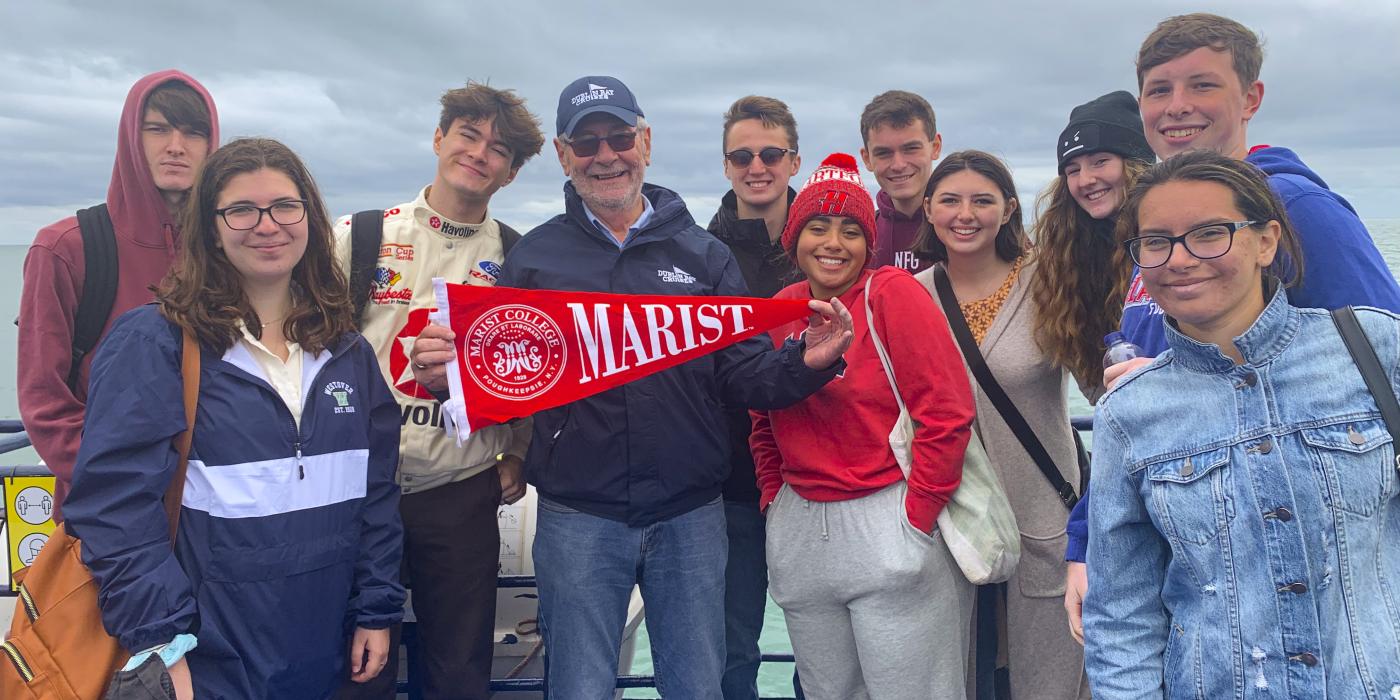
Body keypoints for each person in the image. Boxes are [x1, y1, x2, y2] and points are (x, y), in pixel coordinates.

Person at [410, 75, 853, 697]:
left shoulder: (703, 256)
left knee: (699, 686)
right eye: (586, 143)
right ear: (564, 156)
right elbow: (500, 375)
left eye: (619, 136)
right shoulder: (534, 259)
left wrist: (808, 363)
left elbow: (744, 374)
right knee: (579, 688)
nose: (606, 155)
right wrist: (443, 378)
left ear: (645, 141)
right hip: (576, 516)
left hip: (692, 516)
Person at [1063, 12, 1400, 641]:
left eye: (1202, 85)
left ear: (1251, 98)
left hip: (1284, 564)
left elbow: (1377, 373)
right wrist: (1087, 540)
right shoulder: (1156, 230)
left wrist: (1197, 389)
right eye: (1159, 90)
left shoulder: (1298, 211)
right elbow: (1138, 415)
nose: (1177, 107)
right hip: (1188, 558)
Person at [62, 137, 405, 699]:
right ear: (211, 226)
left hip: (329, 651)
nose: (266, 225)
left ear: (310, 219)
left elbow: (376, 495)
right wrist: (161, 643)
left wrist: (376, 609)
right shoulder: (156, 343)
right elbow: (115, 505)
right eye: (241, 209)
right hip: (208, 657)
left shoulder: (347, 351)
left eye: (285, 207)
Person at [1084, 148, 1400, 697]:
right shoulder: (1128, 413)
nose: (1179, 259)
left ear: (1266, 241)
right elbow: (1121, 619)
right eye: (1156, 241)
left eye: (1209, 233)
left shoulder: (1374, 347)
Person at [332, 81, 544, 700]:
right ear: (438, 138)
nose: (479, 154)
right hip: (357, 486)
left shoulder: (518, 258)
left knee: (458, 671)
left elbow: (532, 369)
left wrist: (516, 452)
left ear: (510, 173)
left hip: (459, 491)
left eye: (498, 149)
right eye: (468, 135)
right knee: (351, 666)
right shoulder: (360, 236)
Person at [751, 153, 975, 699]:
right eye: (818, 227)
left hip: (886, 512)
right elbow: (761, 417)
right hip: (802, 526)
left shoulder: (892, 294)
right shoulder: (781, 308)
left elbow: (946, 412)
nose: (833, 243)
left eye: (852, 230)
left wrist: (917, 518)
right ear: (794, 237)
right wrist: (774, 500)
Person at [912, 151, 1089, 699]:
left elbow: (1106, 381)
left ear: (1009, 209)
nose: (966, 214)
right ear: (928, 209)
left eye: (983, 200)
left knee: (1051, 678)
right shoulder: (909, 295)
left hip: (1042, 512)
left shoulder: (1049, 283)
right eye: (951, 200)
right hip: (951, 521)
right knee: (955, 676)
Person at [18, 70, 218, 520]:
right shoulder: (65, 248)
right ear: (131, 136)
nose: (175, 145)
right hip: (110, 513)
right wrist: (122, 484)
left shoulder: (228, 247)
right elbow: (44, 403)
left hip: (217, 511)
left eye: (193, 132)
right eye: (157, 128)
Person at [705, 94, 802, 700]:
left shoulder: (829, 242)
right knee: (729, 649)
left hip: (819, 482)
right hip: (730, 485)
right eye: (742, 155)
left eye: (770, 153)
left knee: (825, 651)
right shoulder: (696, 254)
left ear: (795, 160)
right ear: (726, 165)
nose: (756, 166)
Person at [1028, 90, 1155, 400]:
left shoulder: (1174, 239)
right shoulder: (1066, 260)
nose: (1085, 180)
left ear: (1135, 164)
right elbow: (1092, 379)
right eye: (1073, 170)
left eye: (1100, 161)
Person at [858, 90, 943, 274]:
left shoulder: (963, 228)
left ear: (935, 147)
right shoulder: (859, 238)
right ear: (866, 158)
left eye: (911, 149)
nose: (898, 165)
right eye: (883, 153)